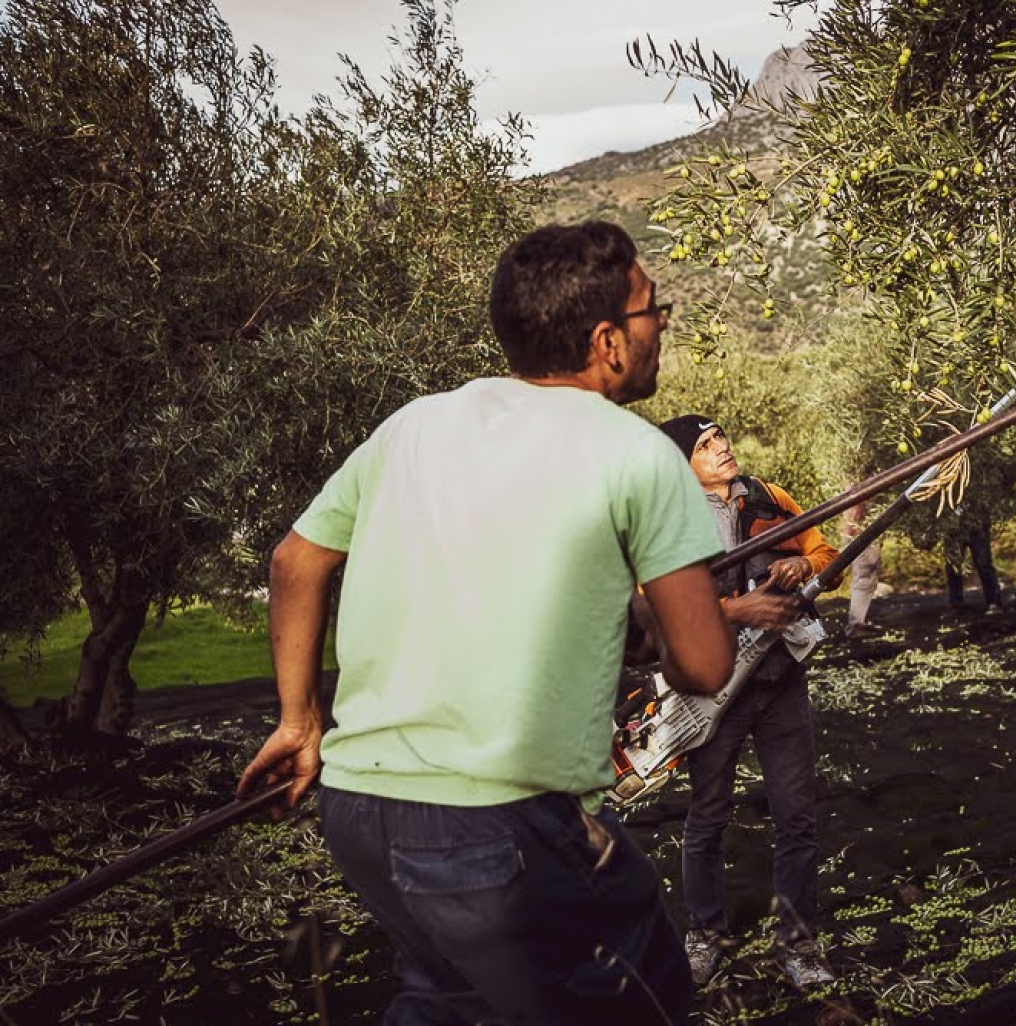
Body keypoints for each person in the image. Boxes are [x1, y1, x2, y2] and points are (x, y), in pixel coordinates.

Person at [236, 221, 768, 1025]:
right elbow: (701, 666)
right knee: (641, 992)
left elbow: (294, 564)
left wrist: (299, 720)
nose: (663, 323)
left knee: (448, 998)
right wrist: (683, 621)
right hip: (496, 826)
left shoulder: (413, 425)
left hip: (357, 809)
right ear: (607, 343)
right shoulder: (638, 452)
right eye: (654, 309)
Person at [656, 414, 840, 990]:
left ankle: (799, 946)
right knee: (707, 817)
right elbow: (650, 606)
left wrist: (804, 565)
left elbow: (828, 552)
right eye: (704, 444)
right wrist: (736, 611)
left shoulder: (770, 497)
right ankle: (704, 937)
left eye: (721, 437)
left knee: (797, 816)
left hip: (781, 680)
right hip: (715, 691)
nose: (721, 447)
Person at [944, 506, 1004, 613]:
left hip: (977, 523)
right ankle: (956, 604)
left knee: (984, 564)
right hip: (954, 525)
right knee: (953, 566)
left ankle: (994, 602)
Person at [841, 498, 884, 639]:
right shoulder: (860, 479)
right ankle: (855, 625)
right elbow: (857, 502)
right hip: (861, 533)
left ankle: (858, 623)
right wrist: (855, 528)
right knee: (865, 577)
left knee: (866, 578)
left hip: (860, 531)